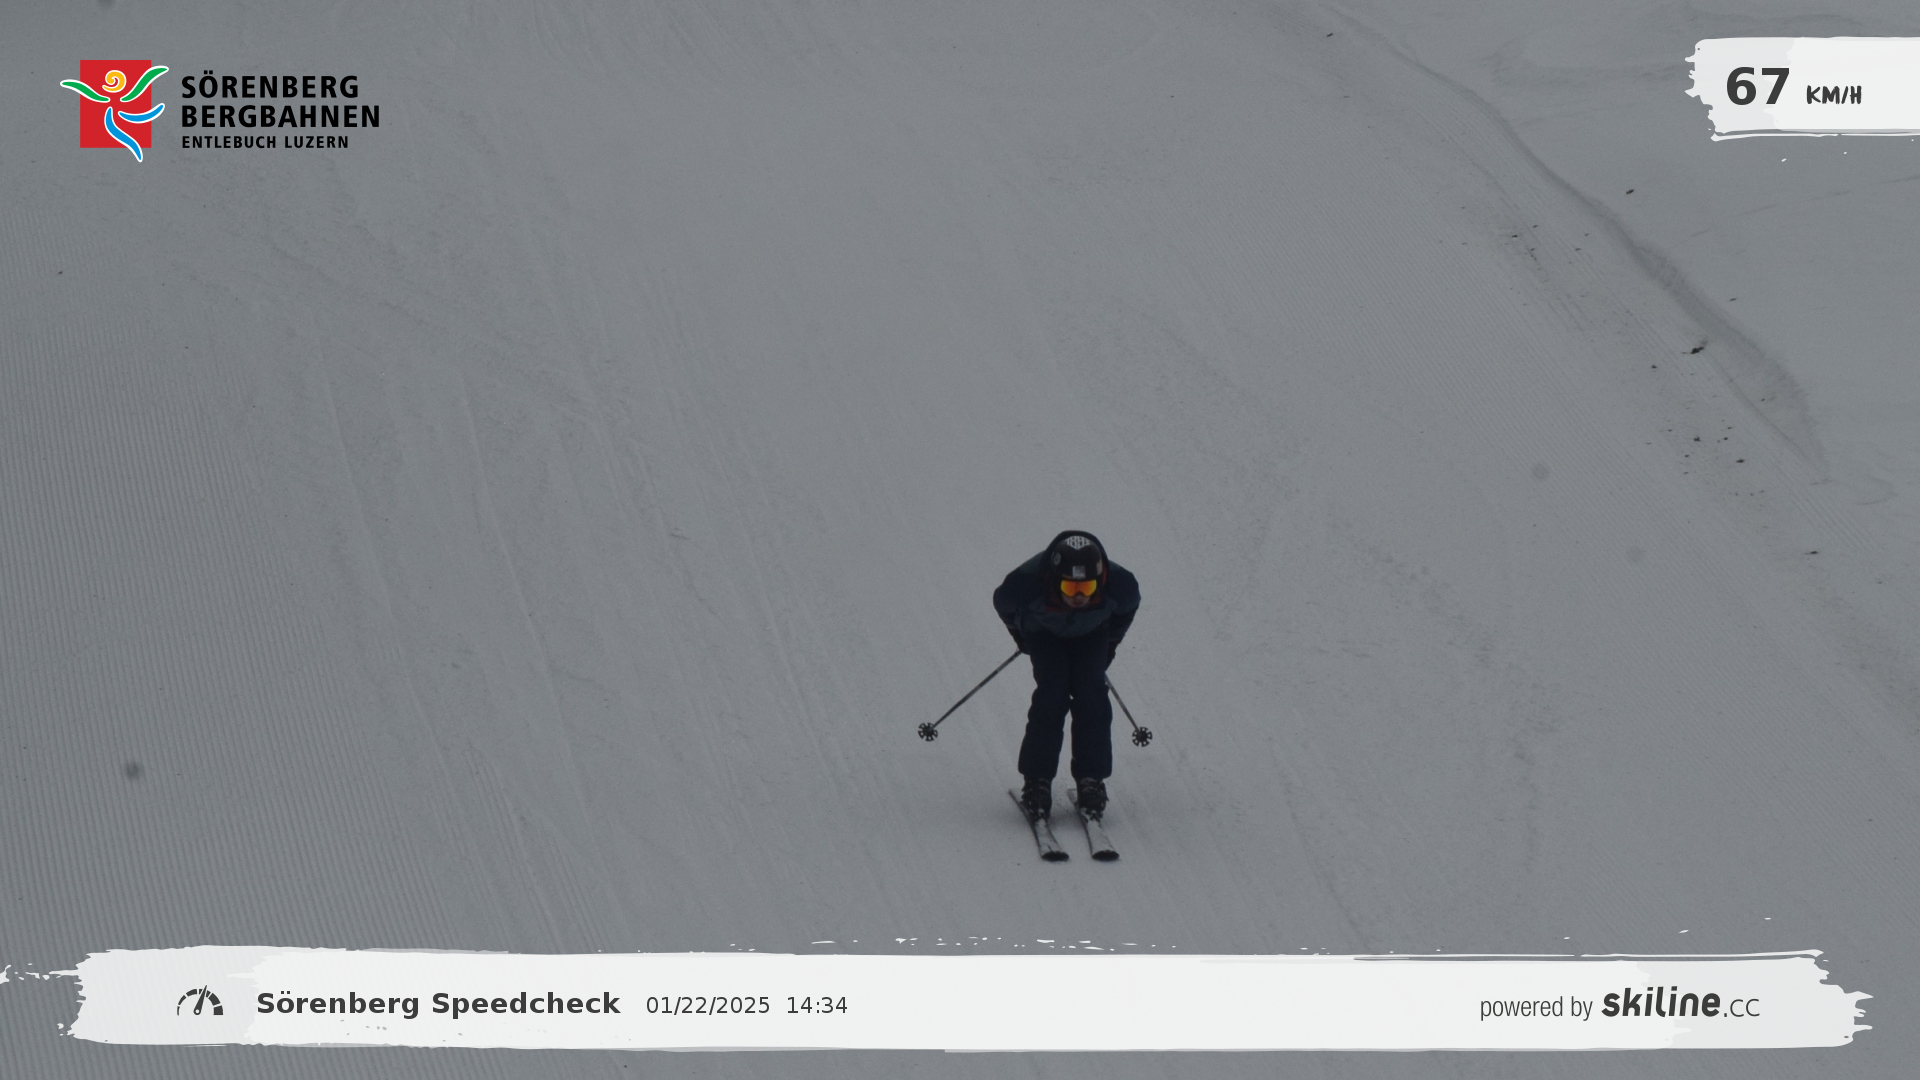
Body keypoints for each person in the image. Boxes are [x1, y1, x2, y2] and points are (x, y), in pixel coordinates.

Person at [993, 531, 1140, 820]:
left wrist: (1109, 645)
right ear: (1053, 578)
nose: (1079, 597)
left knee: (1092, 694)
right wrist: (1022, 636)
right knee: (1053, 692)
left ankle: (1091, 778)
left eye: (1087, 587)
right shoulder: (1025, 584)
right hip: (1043, 632)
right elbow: (1004, 604)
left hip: (1092, 632)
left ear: (1100, 579)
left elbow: (1126, 610)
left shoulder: (1120, 586)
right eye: (1070, 588)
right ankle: (1037, 780)